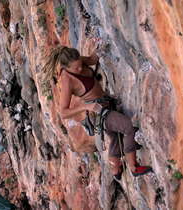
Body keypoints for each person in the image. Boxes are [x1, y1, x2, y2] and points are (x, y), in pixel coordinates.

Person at [42, 43, 152, 180]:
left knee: (114, 138)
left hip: (106, 105)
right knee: (129, 127)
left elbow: (92, 60)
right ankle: (134, 167)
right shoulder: (68, 80)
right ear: (66, 67)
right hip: (99, 112)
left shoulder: (76, 62)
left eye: (80, 64)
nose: (81, 68)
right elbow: (63, 112)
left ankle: (116, 171)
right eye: (76, 68)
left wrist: (98, 46)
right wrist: (85, 107)